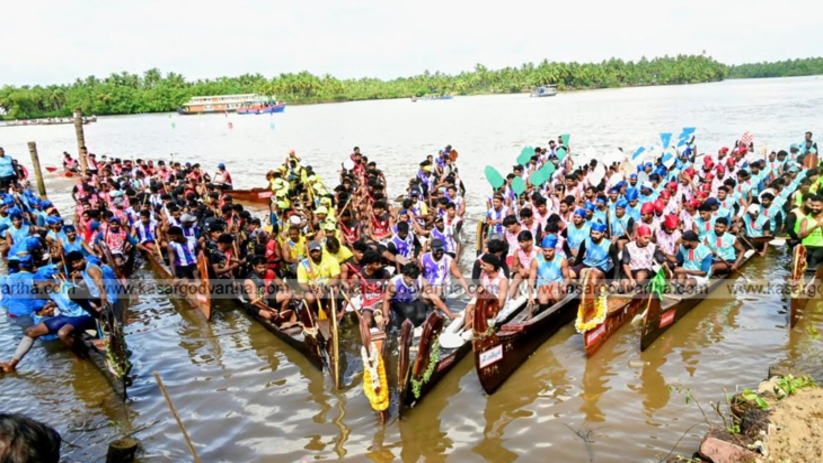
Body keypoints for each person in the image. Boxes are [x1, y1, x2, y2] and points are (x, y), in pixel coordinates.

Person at [243, 255, 295, 326]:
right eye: (260, 268)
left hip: (267, 298)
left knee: (288, 295)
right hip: (256, 304)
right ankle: (275, 316)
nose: (263, 270)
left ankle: (280, 316)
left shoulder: (271, 273)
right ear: (254, 267)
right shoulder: (250, 281)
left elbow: (281, 284)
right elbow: (255, 301)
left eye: (264, 267)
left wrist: (289, 290)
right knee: (269, 316)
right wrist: (270, 309)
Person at [463, 253, 508, 331]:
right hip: (486, 302)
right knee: (469, 308)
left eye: (483, 265)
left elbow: (500, 305)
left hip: (495, 307)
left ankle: (475, 330)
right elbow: (482, 294)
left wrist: (481, 310)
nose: (481, 267)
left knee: (476, 312)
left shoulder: (502, 281)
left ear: (491, 267)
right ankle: (467, 331)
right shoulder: (484, 275)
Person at [297, 241, 341, 309]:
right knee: (310, 298)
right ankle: (314, 315)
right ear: (309, 253)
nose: (315, 254)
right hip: (313, 289)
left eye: (317, 251)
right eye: (312, 252)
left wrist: (323, 289)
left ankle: (333, 312)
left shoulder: (331, 260)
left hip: (327, 287)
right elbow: (302, 283)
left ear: (321, 250)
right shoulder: (303, 264)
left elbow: (336, 277)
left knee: (334, 290)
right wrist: (311, 289)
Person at [528, 235, 569, 307]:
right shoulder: (535, 261)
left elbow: (567, 277)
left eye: (550, 251)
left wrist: (565, 286)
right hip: (542, 286)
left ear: (554, 249)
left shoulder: (562, 260)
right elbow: (531, 279)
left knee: (555, 294)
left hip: (557, 285)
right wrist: (530, 295)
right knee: (543, 299)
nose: (547, 253)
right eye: (545, 251)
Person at [620, 225, 657, 292]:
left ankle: (639, 289)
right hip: (630, 271)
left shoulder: (653, 246)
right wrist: (631, 279)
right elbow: (625, 264)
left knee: (640, 276)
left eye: (649, 238)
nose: (648, 240)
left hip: (645, 271)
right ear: (638, 236)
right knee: (625, 284)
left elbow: (661, 261)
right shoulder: (628, 247)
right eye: (645, 238)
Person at [798, 194, 823, 268]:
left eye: (817, 206)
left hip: (821, 247)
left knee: (814, 257)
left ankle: (811, 272)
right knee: (805, 255)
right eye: (812, 205)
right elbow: (800, 235)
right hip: (807, 246)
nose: (814, 208)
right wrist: (814, 227)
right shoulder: (805, 219)